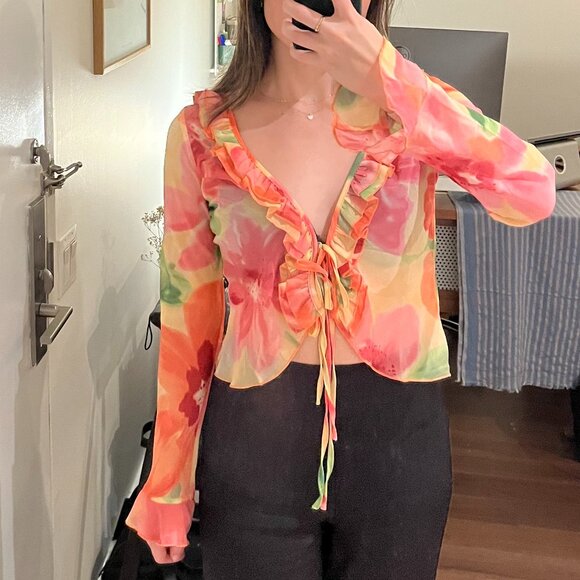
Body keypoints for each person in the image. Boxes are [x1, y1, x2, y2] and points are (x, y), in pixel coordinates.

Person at [125, 0, 556, 577]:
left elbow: (533, 193)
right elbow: (188, 314)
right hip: (255, 444)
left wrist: (389, 76)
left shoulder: (413, 112)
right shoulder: (201, 134)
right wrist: (168, 479)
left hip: (399, 447)